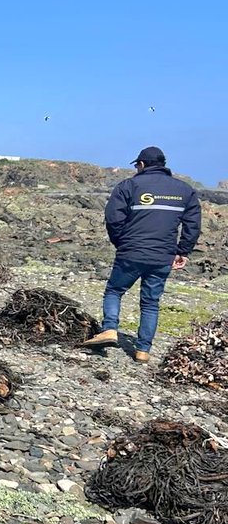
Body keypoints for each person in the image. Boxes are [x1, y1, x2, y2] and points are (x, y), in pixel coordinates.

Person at [82, 146, 201, 362]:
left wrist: (121, 242)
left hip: (131, 252)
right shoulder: (185, 190)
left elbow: (113, 218)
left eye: (137, 165)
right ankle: (143, 350)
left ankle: (109, 329)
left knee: (114, 290)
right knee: (150, 303)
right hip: (163, 256)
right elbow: (192, 225)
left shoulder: (128, 186)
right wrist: (183, 251)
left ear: (142, 164)